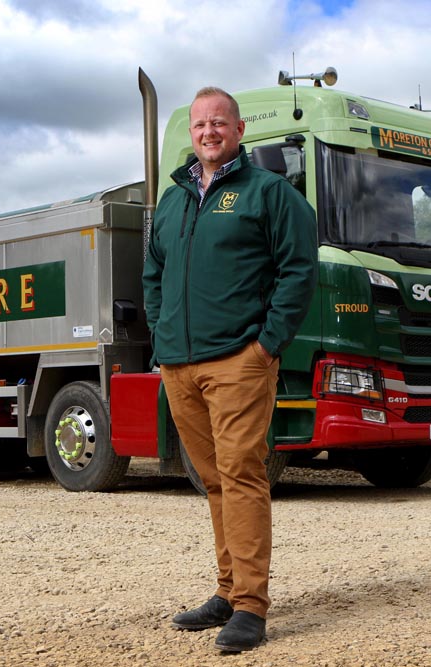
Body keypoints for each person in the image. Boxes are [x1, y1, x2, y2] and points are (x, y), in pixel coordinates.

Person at [142, 86, 318, 653]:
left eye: (220, 123)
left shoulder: (268, 193)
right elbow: (154, 274)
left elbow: (298, 270)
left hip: (240, 361)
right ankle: (226, 591)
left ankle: (250, 607)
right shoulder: (172, 201)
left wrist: (267, 345)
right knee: (213, 479)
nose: (209, 132)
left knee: (241, 473)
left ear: (240, 130)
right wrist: (162, 333)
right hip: (179, 365)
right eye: (200, 125)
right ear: (191, 134)